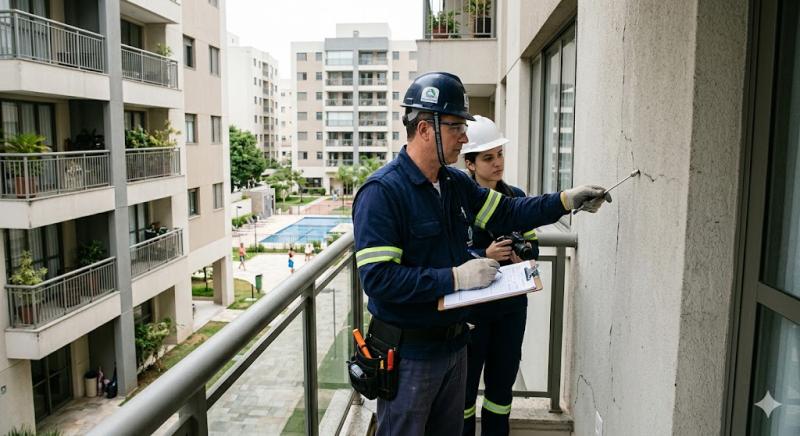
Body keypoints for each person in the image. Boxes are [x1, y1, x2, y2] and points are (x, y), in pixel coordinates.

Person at [352, 72, 611, 436]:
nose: (464, 136)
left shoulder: (455, 184)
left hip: (455, 347)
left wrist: (565, 200)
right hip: (411, 358)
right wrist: (455, 277)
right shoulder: (383, 193)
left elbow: (508, 212)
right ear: (425, 128)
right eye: (456, 126)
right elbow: (378, 280)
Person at [460, 116, 539, 436]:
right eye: (488, 157)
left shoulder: (516, 196)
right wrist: (484, 256)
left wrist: (524, 255)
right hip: (472, 313)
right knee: (464, 391)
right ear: (470, 164)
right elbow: (448, 259)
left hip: (510, 309)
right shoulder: (459, 203)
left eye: (500, 155)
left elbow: (532, 245)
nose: (498, 163)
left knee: (501, 388)